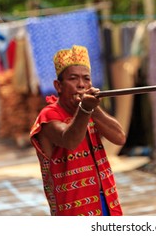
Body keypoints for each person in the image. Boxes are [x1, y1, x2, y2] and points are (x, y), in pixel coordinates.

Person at [30, 45, 126, 216]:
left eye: (86, 79)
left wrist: (93, 109)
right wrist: (86, 109)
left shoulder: (89, 110)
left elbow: (119, 138)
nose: (81, 85)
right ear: (58, 86)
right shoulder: (49, 115)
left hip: (106, 200)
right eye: (73, 79)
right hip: (73, 208)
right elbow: (70, 140)